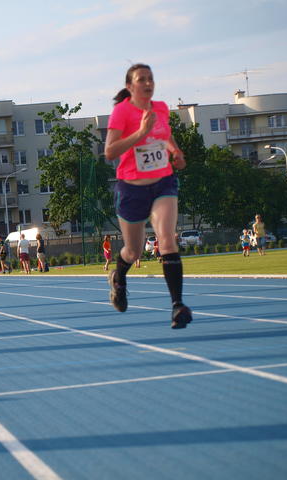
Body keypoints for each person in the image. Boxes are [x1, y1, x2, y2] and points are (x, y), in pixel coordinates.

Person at [104, 63, 192, 329]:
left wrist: (176, 153)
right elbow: (110, 151)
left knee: (167, 239)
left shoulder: (161, 108)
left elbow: (165, 136)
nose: (148, 83)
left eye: (150, 78)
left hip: (163, 182)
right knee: (133, 250)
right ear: (130, 86)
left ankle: (177, 306)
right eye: (141, 79)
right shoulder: (121, 112)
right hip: (132, 188)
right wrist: (140, 133)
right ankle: (119, 278)